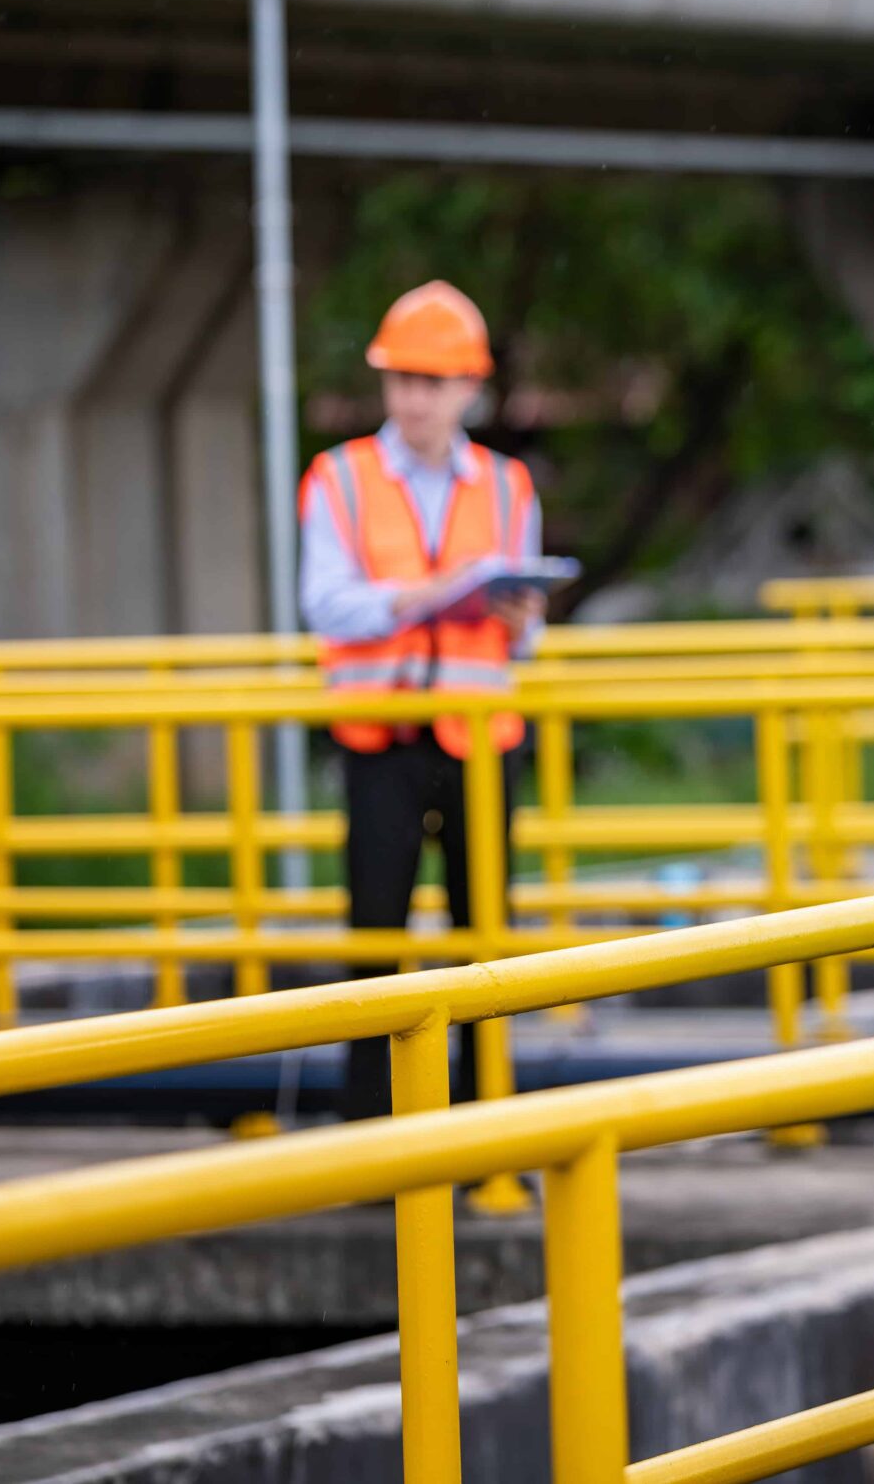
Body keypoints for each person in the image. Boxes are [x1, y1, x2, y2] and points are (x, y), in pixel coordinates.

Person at [298, 280, 546, 1121]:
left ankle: (487, 1128)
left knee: (488, 948)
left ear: (469, 388)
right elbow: (325, 603)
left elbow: (523, 642)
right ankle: (374, 1131)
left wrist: (519, 619)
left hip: (481, 741)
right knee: (376, 941)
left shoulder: (510, 487)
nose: (415, 398)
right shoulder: (338, 478)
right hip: (382, 739)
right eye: (402, 379)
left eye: (432, 382)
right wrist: (416, 596)